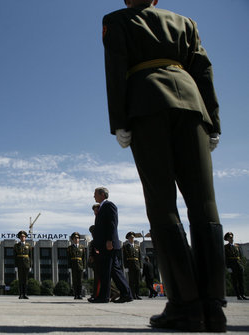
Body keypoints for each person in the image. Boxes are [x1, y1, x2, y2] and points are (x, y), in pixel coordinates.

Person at [102, 0, 225, 331]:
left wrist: (119, 121)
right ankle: (214, 306)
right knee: (205, 204)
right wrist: (213, 122)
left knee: (161, 204)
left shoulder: (117, 20)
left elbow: (115, 68)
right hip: (192, 105)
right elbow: (204, 70)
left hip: (147, 105)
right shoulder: (185, 22)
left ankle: (185, 304)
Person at [89, 187, 132, 304]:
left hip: (108, 245)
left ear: (102, 194)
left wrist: (109, 240)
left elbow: (112, 223)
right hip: (104, 245)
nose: (94, 196)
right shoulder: (101, 208)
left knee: (105, 272)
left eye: (95, 194)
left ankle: (103, 297)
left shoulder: (109, 205)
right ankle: (126, 294)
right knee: (114, 271)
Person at [224, 232, 248, 300]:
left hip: (238, 264)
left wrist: (242, 265)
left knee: (241, 281)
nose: (231, 239)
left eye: (232, 237)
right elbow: (225, 258)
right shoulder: (225, 247)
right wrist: (228, 267)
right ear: (227, 239)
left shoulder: (236, 246)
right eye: (230, 238)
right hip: (232, 265)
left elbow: (240, 256)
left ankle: (242, 294)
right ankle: (238, 295)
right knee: (235, 281)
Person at [123, 232, 142, 299]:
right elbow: (124, 258)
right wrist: (125, 267)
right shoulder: (125, 247)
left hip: (137, 265)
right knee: (131, 281)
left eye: (133, 237)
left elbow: (140, 257)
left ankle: (137, 294)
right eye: (130, 237)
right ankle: (132, 294)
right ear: (128, 238)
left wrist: (141, 266)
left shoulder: (137, 246)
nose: (132, 239)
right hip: (130, 265)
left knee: (137, 281)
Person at [14, 230, 32, 299]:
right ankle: (21, 294)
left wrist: (30, 266)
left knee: (26, 280)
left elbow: (31, 256)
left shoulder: (28, 246)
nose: (22, 238)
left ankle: (25, 294)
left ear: (25, 237)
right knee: (21, 280)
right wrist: (15, 266)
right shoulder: (16, 246)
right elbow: (15, 257)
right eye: (21, 237)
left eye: (23, 237)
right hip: (19, 264)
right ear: (19, 238)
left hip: (26, 264)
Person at [67, 232, 86, 299]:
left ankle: (80, 294)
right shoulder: (70, 248)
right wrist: (69, 267)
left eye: (78, 238)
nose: (76, 239)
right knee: (75, 281)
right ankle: (76, 294)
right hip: (73, 266)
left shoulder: (82, 247)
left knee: (80, 281)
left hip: (80, 266)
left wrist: (84, 267)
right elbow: (68, 258)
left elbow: (84, 258)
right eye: (75, 238)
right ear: (72, 239)